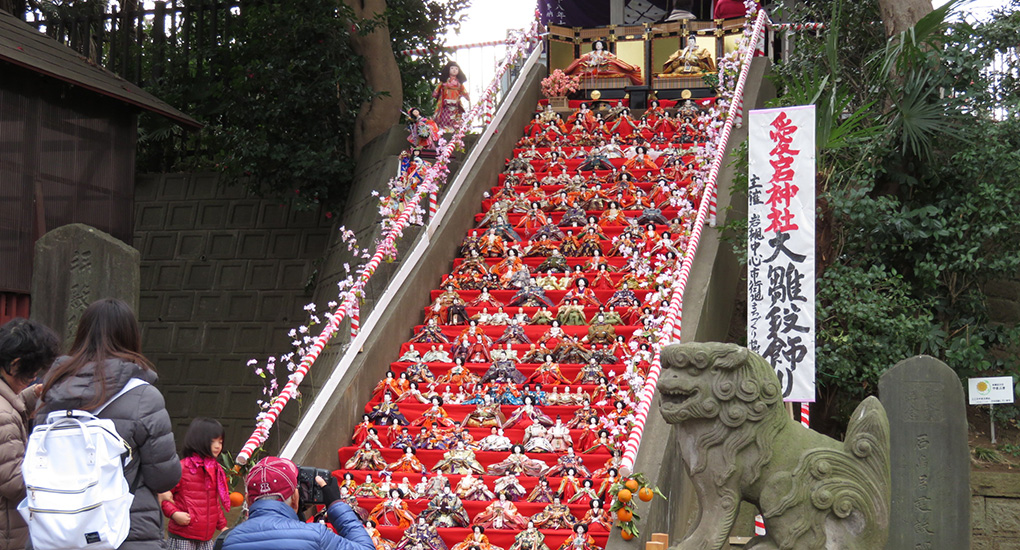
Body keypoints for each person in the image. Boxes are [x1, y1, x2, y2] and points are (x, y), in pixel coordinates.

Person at [37, 298, 180, 550]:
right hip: (126, 531)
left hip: (55, 528)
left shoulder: (51, 390)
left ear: (82, 333)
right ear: (131, 336)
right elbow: (164, 477)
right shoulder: (143, 396)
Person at [222, 456, 375, 550]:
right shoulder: (315, 536)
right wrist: (336, 505)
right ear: (295, 497)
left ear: (248, 500)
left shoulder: (227, 542)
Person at [0, 318, 59, 550]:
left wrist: (30, 395)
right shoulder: (3, 417)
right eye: (28, 376)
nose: (33, 379)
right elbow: (17, 484)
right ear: (13, 365)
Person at [159, 418, 231, 550]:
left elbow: (213, 503)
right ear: (198, 440)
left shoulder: (215, 469)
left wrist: (222, 526)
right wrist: (175, 514)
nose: (217, 446)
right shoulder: (182, 468)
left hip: (206, 538)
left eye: (220, 442)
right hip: (183, 537)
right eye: (213, 441)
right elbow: (163, 497)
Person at [434, 62, 470, 132]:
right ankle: (444, 128)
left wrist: (467, 97)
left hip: (455, 104)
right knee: (445, 118)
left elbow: (464, 91)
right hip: (445, 104)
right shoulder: (444, 82)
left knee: (455, 118)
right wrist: (435, 94)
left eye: (456, 69)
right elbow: (436, 90)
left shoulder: (459, 84)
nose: (454, 70)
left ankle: (455, 128)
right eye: (452, 68)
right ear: (448, 70)